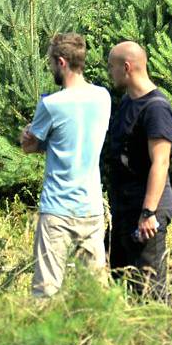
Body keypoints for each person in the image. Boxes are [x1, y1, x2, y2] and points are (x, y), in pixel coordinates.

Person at [19, 32, 112, 298]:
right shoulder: (103, 98)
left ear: (61, 62)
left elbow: (29, 145)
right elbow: (72, 139)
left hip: (57, 209)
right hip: (91, 208)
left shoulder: (51, 104)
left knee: (46, 291)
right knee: (95, 292)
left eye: (51, 63)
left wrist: (27, 134)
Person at [105, 41, 172, 302]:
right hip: (124, 209)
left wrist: (148, 213)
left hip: (146, 211)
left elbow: (160, 162)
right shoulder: (127, 103)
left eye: (111, 67)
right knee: (122, 284)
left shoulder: (156, 107)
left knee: (150, 288)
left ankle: (163, 337)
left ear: (126, 67)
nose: (109, 73)